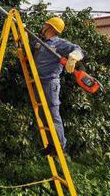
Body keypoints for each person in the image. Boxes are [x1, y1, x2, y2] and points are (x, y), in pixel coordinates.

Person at [32, 17, 84, 155]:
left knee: (53, 114)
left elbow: (78, 49)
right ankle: (52, 144)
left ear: (50, 28)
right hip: (38, 82)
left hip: (50, 83)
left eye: (45, 24)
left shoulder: (59, 44)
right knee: (43, 114)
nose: (43, 26)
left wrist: (73, 57)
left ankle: (60, 145)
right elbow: (27, 44)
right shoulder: (40, 42)